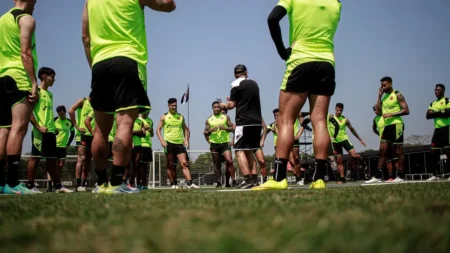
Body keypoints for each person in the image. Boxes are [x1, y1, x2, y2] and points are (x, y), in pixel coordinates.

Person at [81, 0, 176, 194]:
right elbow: (168, 5)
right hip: (127, 60)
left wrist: (94, 65)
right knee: (124, 124)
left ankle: (100, 184)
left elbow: (86, 38)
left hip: (99, 64)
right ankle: (116, 183)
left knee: (100, 131)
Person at [256, 0, 342, 190]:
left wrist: (281, 50)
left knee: (286, 120)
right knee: (320, 120)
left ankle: (278, 178)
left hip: (301, 60)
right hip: (327, 62)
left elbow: (272, 19)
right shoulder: (336, 3)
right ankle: (319, 179)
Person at [0, 0, 39, 194]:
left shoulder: (2, 20)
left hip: (2, 78)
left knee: (4, 131)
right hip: (19, 78)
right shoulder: (26, 19)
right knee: (19, 128)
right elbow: (25, 53)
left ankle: (1, 183)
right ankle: (13, 183)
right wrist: (33, 83)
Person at [27, 68, 72, 193]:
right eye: (52, 77)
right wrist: (38, 126)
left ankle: (58, 186)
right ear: (44, 77)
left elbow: (47, 113)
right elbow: (28, 111)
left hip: (51, 132)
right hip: (39, 131)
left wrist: (53, 128)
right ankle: (30, 186)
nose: (54, 80)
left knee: (52, 160)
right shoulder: (37, 91)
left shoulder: (50, 95)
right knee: (35, 158)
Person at [220, 64, 263, 189]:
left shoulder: (235, 84)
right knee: (249, 150)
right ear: (246, 72)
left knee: (239, 150)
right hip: (257, 121)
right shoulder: (254, 83)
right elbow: (246, 99)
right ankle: (254, 180)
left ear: (235, 74)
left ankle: (247, 180)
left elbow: (231, 105)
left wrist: (224, 105)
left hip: (244, 121)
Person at [156, 98, 199, 189]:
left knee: (184, 163)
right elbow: (158, 130)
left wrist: (186, 140)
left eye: (175, 105)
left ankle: (190, 183)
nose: (174, 107)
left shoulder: (181, 117)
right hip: (169, 143)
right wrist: (162, 141)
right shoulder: (164, 116)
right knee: (170, 164)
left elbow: (186, 129)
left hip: (179, 143)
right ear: (168, 106)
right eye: (172, 106)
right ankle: (173, 184)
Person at [374, 77, 409, 182]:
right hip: (387, 126)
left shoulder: (398, 94)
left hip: (397, 124)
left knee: (398, 150)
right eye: (382, 86)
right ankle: (378, 176)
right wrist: (379, 96)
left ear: (390, 84)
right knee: (382, 150)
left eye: (385, 85)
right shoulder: (384, 97)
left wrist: (391, 114)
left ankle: (401, 175)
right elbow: (379, 110)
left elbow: (406, 110)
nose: (383, 87)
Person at [328, 103, 366, 183]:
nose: (339, 112)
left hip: (344, 140)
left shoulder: (345, 119)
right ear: (335, 109)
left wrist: (360, 139)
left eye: (340, 111)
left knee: (354, 155)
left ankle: (363, 162)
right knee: (339, 160)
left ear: (342, 110)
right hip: (335, 142)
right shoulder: (330, 118)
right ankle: (342, 178)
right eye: (337, 110)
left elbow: (352, 129)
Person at [204, 101, 234, 187]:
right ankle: (218, 182)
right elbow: (205, 132)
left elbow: (232, 128)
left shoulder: (225, 117)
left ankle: (228, 182)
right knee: (217, 164)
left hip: (225, 143)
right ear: (212, 108)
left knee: (229, 161)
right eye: (215, 107)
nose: (217, 108)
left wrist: (224, 128)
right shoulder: (209, 119)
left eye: (218, 107)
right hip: (214, 144)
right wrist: (210, 130)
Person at [48, 105, 75, 192]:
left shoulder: (69, 122)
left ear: (65, 113)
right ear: (58, 114)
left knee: (60, 167)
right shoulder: (54, 120)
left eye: (63, 114)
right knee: (52, 166)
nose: (61, 116)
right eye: (60, 114)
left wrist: (68, 144)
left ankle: (57, 185)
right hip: (53, 146)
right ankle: (49, 186)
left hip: (63, 147)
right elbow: (49, 130)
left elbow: (72, 134)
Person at [426, 84, 450, 181]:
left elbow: (448, 113)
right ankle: (433, 175)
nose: (436, 91)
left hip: (447, 128)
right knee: (433, 152)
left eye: (438, 90)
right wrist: (441, 112)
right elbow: (427, 115)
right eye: (435, 90)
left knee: (447, 151)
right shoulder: (432, 103)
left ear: (443, 91)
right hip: (437, 130)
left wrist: (434, 113)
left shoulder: (447, 100)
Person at [68, 97, 92, 191]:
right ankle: (77, 185)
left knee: (88, 161)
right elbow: (71, 110)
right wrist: (76, 126)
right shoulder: (83, 100)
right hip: (82, 134)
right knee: (82, 158)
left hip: (92, 135)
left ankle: (83, 184)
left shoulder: (97, 103)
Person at [365, 105, 387, 183]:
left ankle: (395, 176)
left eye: (376, 110)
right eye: (374, 110)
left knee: (391, 156)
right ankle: (380, 176)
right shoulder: (375, 119)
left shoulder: (386, 115)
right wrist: (379, 134)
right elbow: (374, 129)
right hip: (382, 140)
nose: (375, 111)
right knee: (382, 156)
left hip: (390, 139)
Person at [138, 111, 153, 190]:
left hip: (148, 145)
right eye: (146, 111)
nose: (147, 113)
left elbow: (152, 134)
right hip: (140, 144)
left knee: (145, 166)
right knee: (138, 165)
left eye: (149, 111)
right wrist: (143, 129)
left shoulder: (150, 121)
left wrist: (151, 131)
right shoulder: (137, 119)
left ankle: (144, 184)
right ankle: (137, 184)